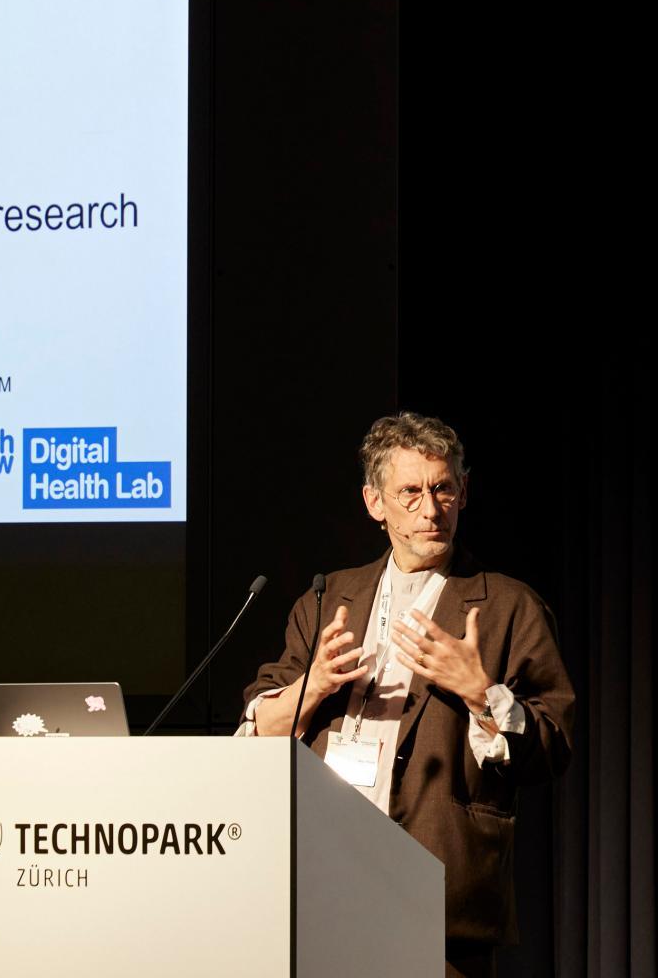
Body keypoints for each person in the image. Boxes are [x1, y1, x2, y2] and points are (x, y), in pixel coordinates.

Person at [239, 412, 576, 978]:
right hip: (324, 881)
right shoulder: (329, 598)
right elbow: (260, 731)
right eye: (410, 492)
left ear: (463, 492)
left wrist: (482, 694)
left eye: (443, 488)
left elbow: (554, 745)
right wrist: (316, 682)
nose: (430, 509)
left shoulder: (508, 607)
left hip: (439, 893)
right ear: (375, 502)